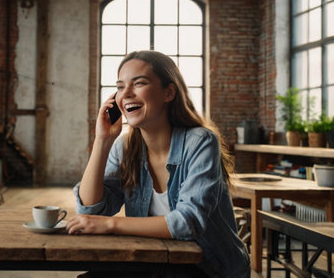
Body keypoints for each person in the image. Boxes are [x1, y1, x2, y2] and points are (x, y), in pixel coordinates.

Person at [66, 51, 251, 278]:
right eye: (121, 86)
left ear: (169, 92)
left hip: (208, 268)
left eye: (139, 83)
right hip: (153, 261)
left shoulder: (200, 142)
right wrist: (102, 141)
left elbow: (187, 222)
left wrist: (110, 225)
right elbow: (90, 208)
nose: (126, 94)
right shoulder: (123, 147)